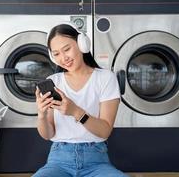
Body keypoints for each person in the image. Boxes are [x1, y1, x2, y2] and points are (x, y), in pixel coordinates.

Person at [34, 23, 127, 177]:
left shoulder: (105, 78)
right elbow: (48, 134)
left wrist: (75, 111)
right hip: (58, 161)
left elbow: (105, 130)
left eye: (67, 49)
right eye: (56, 54)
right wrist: (41, 115)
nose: (63, 58)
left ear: (82, 44)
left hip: (96, 162)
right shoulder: (54, 81)